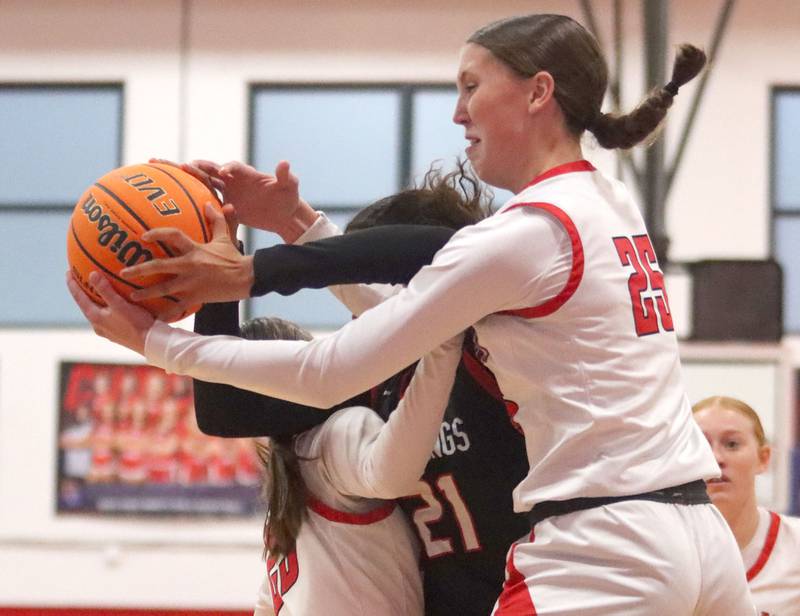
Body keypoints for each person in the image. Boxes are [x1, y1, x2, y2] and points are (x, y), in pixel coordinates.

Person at [67, 13, 755, 615]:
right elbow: (421, 320)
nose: (458, 112)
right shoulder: (607, 203)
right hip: (700, 538)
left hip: (608, 552)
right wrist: (298, 227)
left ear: (538, 91)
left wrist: (157, 339)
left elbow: (330, 369)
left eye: (471, 86)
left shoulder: (526, 231)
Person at [187, 162, 529, 615]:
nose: (355, 316)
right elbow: (223, 410)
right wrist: (222, 256)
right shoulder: (374, 381)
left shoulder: (499, 352)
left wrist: (295, 231)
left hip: (547, 593)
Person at [238, 316, 462, 616]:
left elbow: (267, 605)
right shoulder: (328, 442)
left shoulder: (292, 474)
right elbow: (394, 476)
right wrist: (444, 345)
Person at [693, 396, 800, 616]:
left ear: (763, 458)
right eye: (701, 445)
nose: (716, 457)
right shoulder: (661, 547)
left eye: (732, 444)